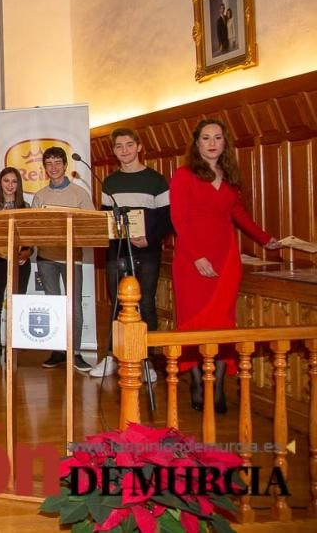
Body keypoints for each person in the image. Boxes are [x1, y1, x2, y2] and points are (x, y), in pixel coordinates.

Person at [170, 119, 282, 413]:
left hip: (226, 259)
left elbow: (238, 213)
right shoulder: (183, 176)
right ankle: (196, 380)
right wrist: (197, 256)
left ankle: (218, 386)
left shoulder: (230, 176)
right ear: (196, 144)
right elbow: (179, 220)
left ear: (224, 143)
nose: (211, 143)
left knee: (222, 323)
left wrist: (266, 239)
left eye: (217, 138)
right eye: (205, 138)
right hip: (192, 260)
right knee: (193, 323)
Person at [90, 128, 171, 379]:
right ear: (113, 151)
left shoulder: (156, 180)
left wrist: (149, 238)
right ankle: (114, 356)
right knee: (117, 304)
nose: (124, 150)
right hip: (118, 250)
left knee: (146, 302)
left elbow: (168, 219)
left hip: (147, 250)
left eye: (128, 145)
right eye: (118, 146)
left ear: (138, 147)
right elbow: (106, 219)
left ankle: (147, 360)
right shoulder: (110, 182)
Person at [31, 146, 95, 372]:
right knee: (52, 304)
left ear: (66, 165)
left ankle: (75, 352)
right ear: (45, 168)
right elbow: (34, 228)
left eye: (58, 163)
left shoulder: (80, 194)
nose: (54, 168)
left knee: (73, 304)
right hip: (46, 257)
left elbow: (91, 225)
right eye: (49, 164)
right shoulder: (40, 196)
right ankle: (57, 350)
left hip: (72, 258)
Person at [0, 168, 32, 365]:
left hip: (20, 262)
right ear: (0, 183)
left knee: (17, 303)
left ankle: (15, 343)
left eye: (14, 181)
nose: (10, 185)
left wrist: (28, 252)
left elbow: (31, 238)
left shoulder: (25, 207)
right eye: (6, 181)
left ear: (18, 185)